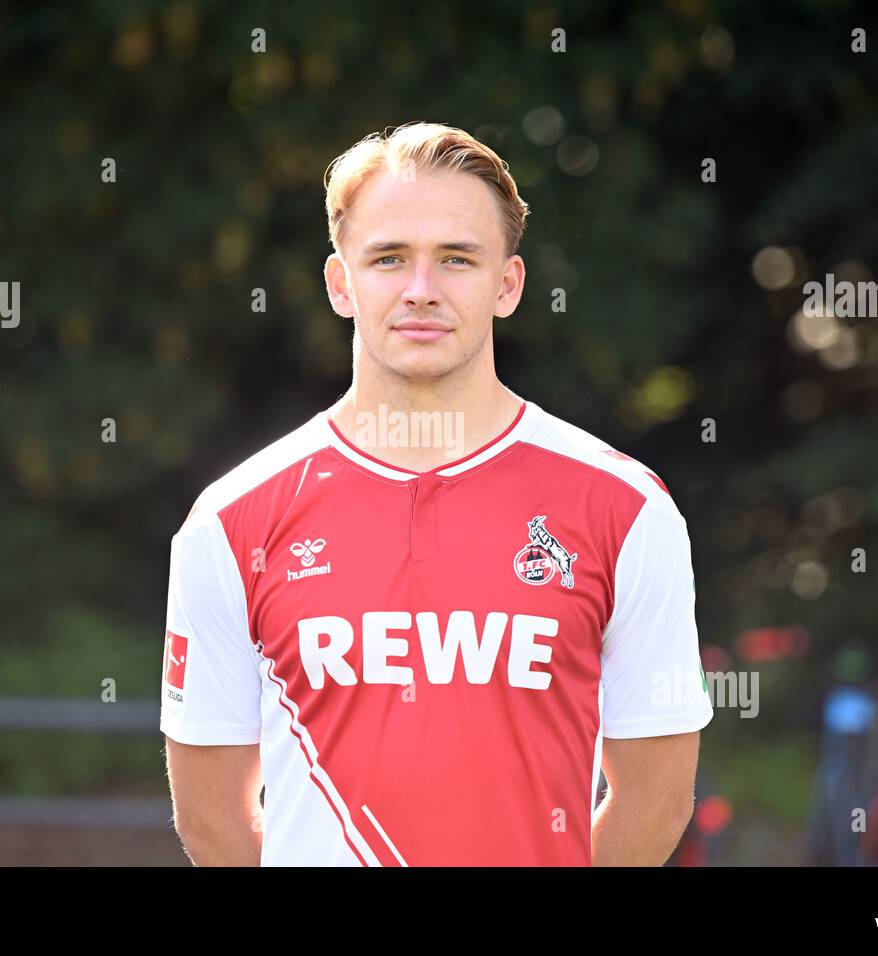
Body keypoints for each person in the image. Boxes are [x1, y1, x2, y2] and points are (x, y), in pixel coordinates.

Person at [162, 122, 712, 866]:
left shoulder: (624, 508)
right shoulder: (232, 521)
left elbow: (657, 799)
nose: (421, 291)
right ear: (340, 283)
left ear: (507, 285)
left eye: (457, 259)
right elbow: (210, 815)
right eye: (388, 258)